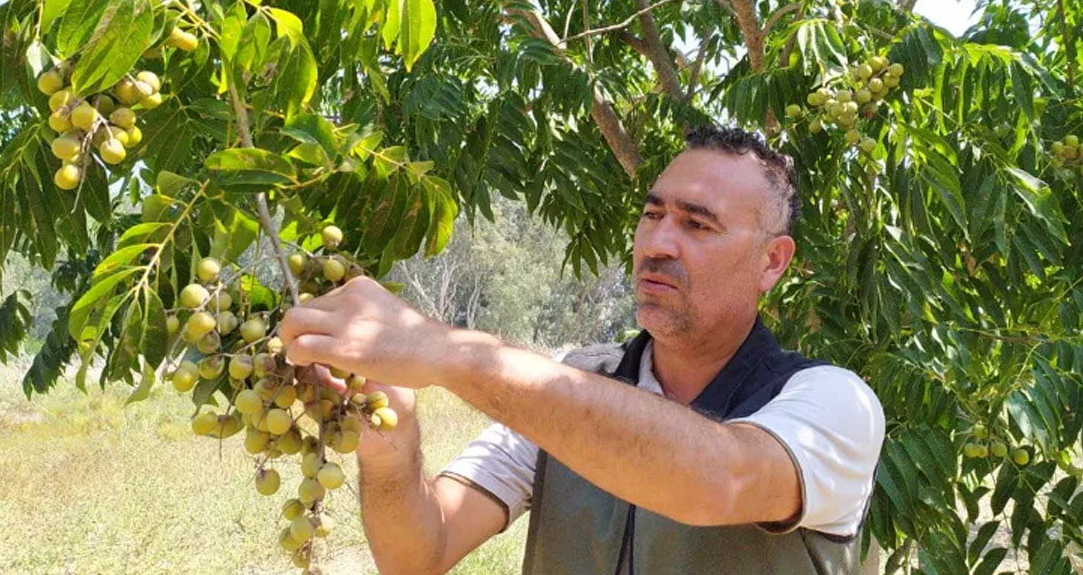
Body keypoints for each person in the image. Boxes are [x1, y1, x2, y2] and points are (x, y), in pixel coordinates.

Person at [280, 125, 886, 575]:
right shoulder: (569, 385)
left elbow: (718, 479)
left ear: (772, 261)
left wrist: (451, 351)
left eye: (697, 224)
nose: (659, 243)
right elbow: (420, 552)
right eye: (652, 215)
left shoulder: (833, 404)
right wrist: (391, 443)